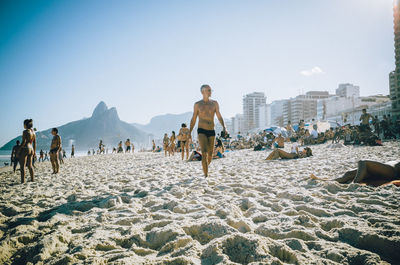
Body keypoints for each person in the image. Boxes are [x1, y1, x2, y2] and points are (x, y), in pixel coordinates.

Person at [189, 84, 227, 177]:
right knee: (204, 152)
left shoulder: (214, 103)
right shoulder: (197, 104)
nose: (210, 92)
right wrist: (189, 131)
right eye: (208, 90)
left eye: (210, 90)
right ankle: (206, 175)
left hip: (211, 130)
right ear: (203, 92)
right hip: (201, 130)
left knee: (210, 155)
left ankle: (205, 166)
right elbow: (194, 118)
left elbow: (219, 116)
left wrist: (224, 127)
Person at [311, 160, 400, 187]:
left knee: (362, 163)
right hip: (383, 170)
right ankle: (325, 180)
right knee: (349, 174)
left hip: (391, 171)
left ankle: (355, 184)